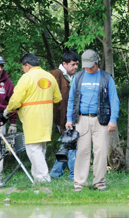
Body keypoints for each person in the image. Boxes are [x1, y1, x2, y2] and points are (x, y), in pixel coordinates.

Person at [66, 49, 120, 192]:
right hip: (81, 119)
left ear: (96, 61)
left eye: (91, 64)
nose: (88, 67)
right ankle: (79, 184)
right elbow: (71, 100)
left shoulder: (106, 78)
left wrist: (113, 120)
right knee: (82, 152)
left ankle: (99, 183)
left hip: (101, 120)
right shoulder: (78, 77)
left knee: (101, 152)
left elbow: (114, 100)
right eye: (86, 65)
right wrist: (69, 119)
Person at [4, 53, 62, 183]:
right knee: (41, 148)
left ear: (27, 65)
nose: (23, 70)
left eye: (23, 67)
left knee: (33, 149)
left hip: (32, 117)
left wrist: (7, 111)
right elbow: (58, 98)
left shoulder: (26, 78)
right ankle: (37, 179)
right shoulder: (49, 77)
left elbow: (16, 99)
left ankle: (43, 179)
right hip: (46, 117)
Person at [50, 51, 79, 180]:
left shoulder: (74, 76)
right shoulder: (56, 74)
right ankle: (74, 175)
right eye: (73, 64)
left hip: (72, 117)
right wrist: (62, 120)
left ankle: (56, 173)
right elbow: (56, 101)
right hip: (62, 118)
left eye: (77, 64)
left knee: (67, 146)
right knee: (71, 145)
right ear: (64, 64)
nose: (76, 67)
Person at [0, 54, 18, 173]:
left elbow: (12, 103)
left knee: (0, 150)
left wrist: (13, 123)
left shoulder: (8, 83)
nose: (0, 69)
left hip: (0, 123)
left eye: (1, 66)